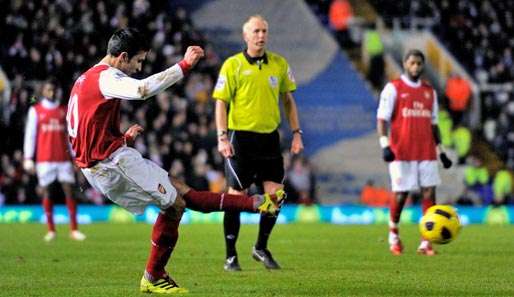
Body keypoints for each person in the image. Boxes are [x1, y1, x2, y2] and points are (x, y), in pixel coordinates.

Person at [66, 28, 284, 294]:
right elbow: (143, 89)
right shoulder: (107, 77)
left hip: (112, 157)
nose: (139, 67)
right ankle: (153, 276)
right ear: (122, 57)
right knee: (174, 206)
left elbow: (85, 130)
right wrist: (183, 66)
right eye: (138, 61)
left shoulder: (84, 79)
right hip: (108, 165)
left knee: (180, 190)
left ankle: (255, 203)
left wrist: (121, 140)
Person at [212, 15, 304, 271]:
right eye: (255, 31)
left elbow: (288, 101)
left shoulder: (279, 64)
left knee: (275, 196)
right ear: (246, 36)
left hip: (270, 140)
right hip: (240, 139)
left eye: (264, 31)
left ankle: (260, 247)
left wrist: (297, 132)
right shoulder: (232, 65)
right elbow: (221, 102)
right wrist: (222, 137)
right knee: (235, 198)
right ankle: (231, 255)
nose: (260, 36)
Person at [376, 49, 453, 256]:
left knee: (429, 193)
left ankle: (426, 242)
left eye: (419, 63)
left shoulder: (430, 92)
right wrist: (385, 145)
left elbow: (434, 125)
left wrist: (441, 152)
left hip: (426, 151)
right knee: (401, 195)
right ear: (404, 63)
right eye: (412, 63)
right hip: (401, 151)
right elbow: (382, 119)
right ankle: (394, 235)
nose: (416, 67)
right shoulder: (393, 88)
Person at [23, 79, 86, 242]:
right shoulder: (35, 111)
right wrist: (28, 158)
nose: (51, 93)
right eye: (49, 90)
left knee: (69, 190)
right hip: (44, 159)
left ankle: (74, 229)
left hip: (63, 158)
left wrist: (75, 156)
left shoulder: (63, 110)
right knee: (47, 192)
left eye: (53, 90)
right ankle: (51, 230)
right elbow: (30, 136)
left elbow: (69, 137)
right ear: (43, 91)